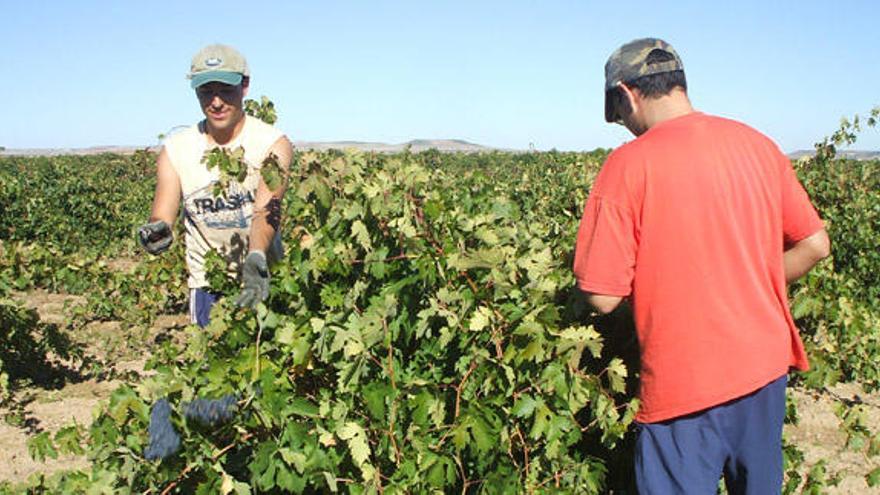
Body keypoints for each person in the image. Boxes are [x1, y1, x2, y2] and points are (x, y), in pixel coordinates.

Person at [573, 38, 830, 493]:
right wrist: (751, 276)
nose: (625, 128)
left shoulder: (629, 165)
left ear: (627, 94)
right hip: (765, 369)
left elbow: (603, 294)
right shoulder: (759, 146)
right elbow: (814, 244)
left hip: (683, 383)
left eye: (619, 114)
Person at [138, 44, 293, 326]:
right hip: (207, 284)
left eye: (225, 89)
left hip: (263, 276)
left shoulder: (272, 143)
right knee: (212, 366)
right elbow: (163, 213)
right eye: (207, 91)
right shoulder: (176, 149)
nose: (217, 101)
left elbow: (265, 210)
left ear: (245, 86)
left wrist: (256, 254)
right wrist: (157, 230)